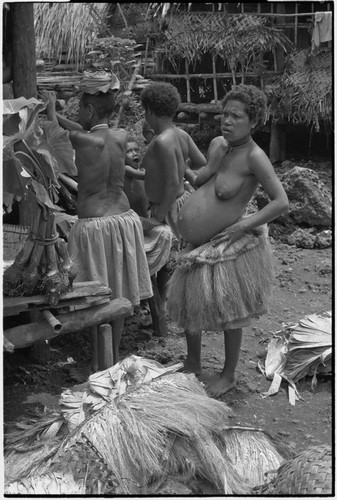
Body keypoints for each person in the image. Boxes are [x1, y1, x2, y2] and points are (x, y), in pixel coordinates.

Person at [167, 84, 289, 397]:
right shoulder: (219, 145)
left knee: (229, 309)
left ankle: (228, 374)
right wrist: (176, 162)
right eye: (225, 114)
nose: (227, 121)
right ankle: (193, 362)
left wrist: (243, 226)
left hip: (228, 242)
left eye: (236, 116)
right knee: (191, 304)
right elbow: (201, 178)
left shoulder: (255, 157)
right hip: (196, 244)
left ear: (253, 121)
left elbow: (280, 202)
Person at [40, 71, 153, 365]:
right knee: (117, 293)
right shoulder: (120, 136)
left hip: (94, 227)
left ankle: (97, 364)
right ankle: (111, 358)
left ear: (89, 110)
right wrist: (71, 118)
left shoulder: (81, 139)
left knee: (92, 296)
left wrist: (51, 107)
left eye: (80, 107)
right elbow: (82, 128)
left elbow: (56, 126)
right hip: (124, 220)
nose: (78, 113)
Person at [140, 82, 206, 244]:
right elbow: (200, 161)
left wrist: (157, 218)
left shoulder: (162, 141)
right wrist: (181, 167)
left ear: (149, 111)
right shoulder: (180, 134)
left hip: (168, 209)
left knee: (171, 254)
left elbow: (172, 182)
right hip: (180, 201)